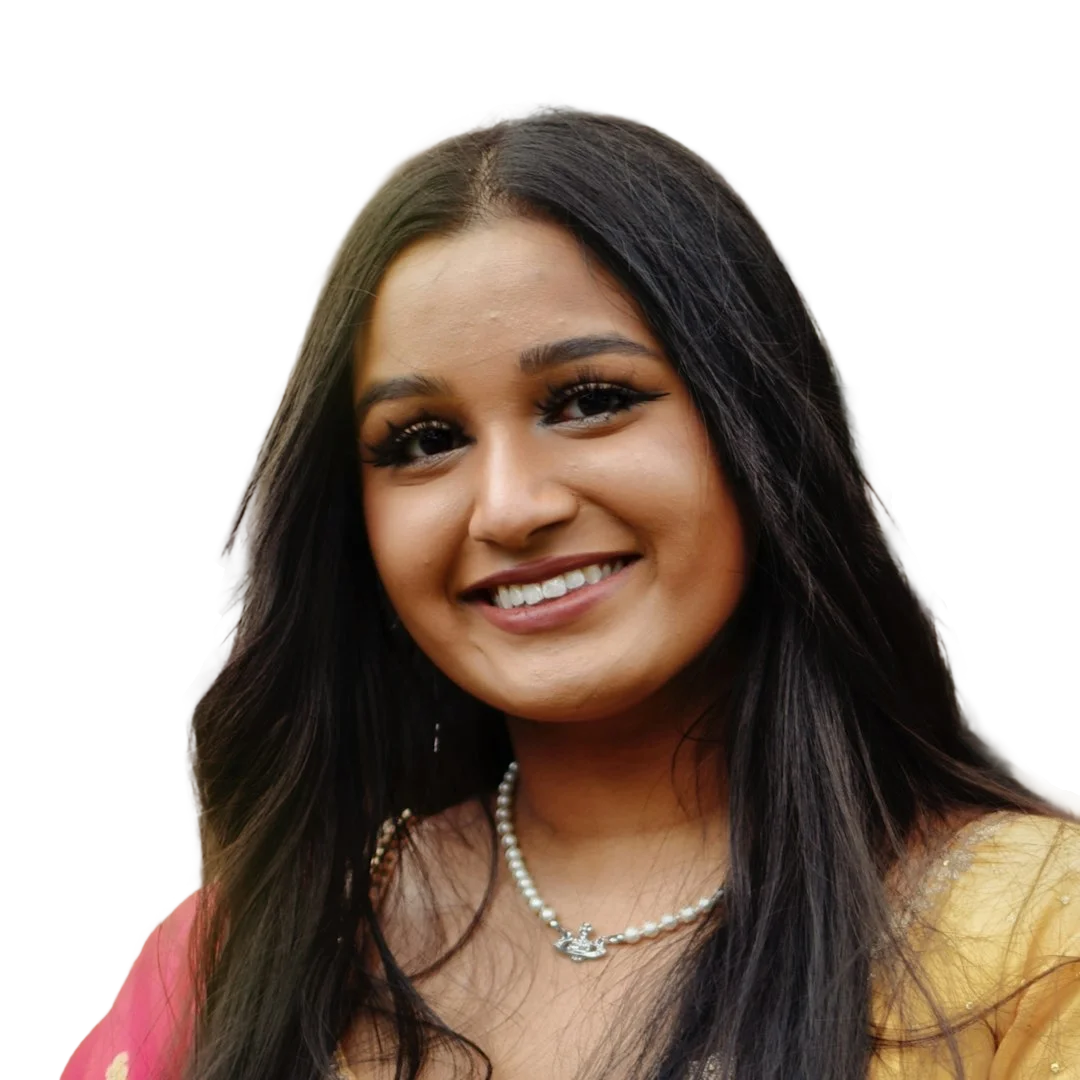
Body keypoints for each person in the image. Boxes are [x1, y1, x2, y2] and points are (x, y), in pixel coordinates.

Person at [62, 99, 1078, 1080]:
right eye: (424, 440)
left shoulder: (1037, 933)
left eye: (591, 401)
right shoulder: (244, 950)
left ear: (759, 429)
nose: (509, 509)